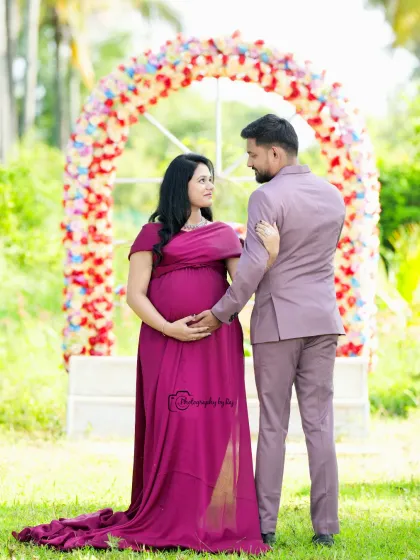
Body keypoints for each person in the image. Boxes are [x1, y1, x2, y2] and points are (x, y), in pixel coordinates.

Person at [12, 153, 279, 555]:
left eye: (211, 179)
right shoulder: (152, 234)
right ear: (180, 185)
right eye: (201, 179)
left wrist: (269, 254)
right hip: (163, 341)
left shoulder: (224, 233)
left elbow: (244, 284)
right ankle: (168, 512)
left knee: (211, 424)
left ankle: (208, 516)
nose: (209, 185)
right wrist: (168, 327)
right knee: (176, 422)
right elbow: (135, 294)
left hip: (215, 343)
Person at [194, 114, 346, 547]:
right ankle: (326, 530)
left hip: (279, 322)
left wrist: (221, 312)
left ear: (274, 152)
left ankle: (265, 526)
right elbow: (319, 256)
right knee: (319, 424)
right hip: (323, 321)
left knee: (274, 425)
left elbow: (256, 266)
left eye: (252, 153)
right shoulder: (333, 195)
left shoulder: (266, 197)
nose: (248, 163)